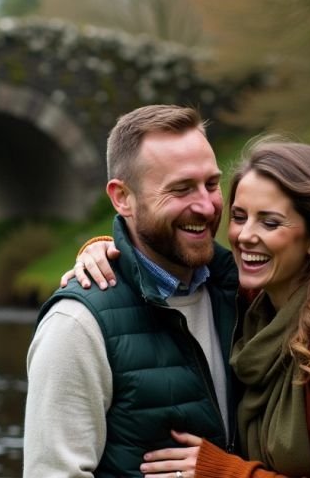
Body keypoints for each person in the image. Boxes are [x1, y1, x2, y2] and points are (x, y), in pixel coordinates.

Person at [70, 135, 310, 477]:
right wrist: (106, 249)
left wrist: (222, 472)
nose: (245, 236)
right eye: (238, 217)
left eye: (270, 222)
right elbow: (164, 257)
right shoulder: (255, 308)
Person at [23, 105, 242, 477]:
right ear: (122, 198)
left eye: (211, 183)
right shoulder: (76, 326)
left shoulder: (243, 292)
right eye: (181, 189)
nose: (206, 206)